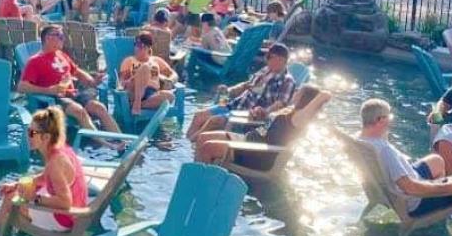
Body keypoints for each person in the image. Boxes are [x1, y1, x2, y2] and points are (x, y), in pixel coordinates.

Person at [358, 98, 452, 228]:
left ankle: (440, 204)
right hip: (412, 202)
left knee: (436, 160)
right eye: (389, 117)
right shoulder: (385, 151)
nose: (391, 120)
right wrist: (449, 188)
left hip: (393, 186)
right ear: (380, 120)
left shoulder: (360, 141)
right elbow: (410, 188)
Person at [0, 106, 87, 236]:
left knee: (9, 199)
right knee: (13, 193)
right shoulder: (60, 150)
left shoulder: (55, 162)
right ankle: (1, 229)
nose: (27, 136)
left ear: (46, 137)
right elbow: (45, 177)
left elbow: (65, 202)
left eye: (32, 133)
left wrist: (34, 198)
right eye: (28, 131)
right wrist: (17, 184)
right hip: (74, 212)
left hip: (64, 219)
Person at [195, 84, 331, 171]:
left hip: (258, 152)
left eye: (299, 91)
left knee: (208, 147)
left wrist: (320, 96)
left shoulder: (299, 118)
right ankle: (199, 173)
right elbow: (271, 125)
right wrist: (262, 114)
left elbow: (325, 95)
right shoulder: (290, 110)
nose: (295, 92)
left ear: (305, 98)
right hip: (249, 139)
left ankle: (202, 182)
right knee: (202, 138)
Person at [18, 25, 121, 133]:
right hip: (56, 98)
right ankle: (106, 143)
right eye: (59, 36)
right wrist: (49, 90)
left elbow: (77, 72)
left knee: (99, 108)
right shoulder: (35, 61)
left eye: (62, 36)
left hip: (74, 94)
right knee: (80, 111)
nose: (63, 39)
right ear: (48, 38)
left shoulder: (61, 55)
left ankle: (122, 141)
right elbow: (22, 87)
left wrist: (93, 81)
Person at [186, 43, 296, 140]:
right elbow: (246, 85)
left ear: (281, 60)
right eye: (267, 57)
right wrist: (229, 90)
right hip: (235, 105)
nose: (266, 60)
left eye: (270, 57)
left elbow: (281, 104)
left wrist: (265, 111)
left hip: (248, 115)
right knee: (199, 115)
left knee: (213, 121)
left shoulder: (287, 80)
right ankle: (187, 145)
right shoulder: (265, 70)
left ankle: (192, 143)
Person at [118, 32, 177, 115]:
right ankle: (137, 102)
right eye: (136, 44)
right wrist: (126, 82)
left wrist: (170, 80)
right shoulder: (129, 60)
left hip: (151, 93)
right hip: (134, 91)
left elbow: (174, 74)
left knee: (170, 96)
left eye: (141, 45)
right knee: (145, 67)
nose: (137, 48)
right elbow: (122, 81)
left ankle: (138, 105)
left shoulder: (156, 61)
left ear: (148, 47)